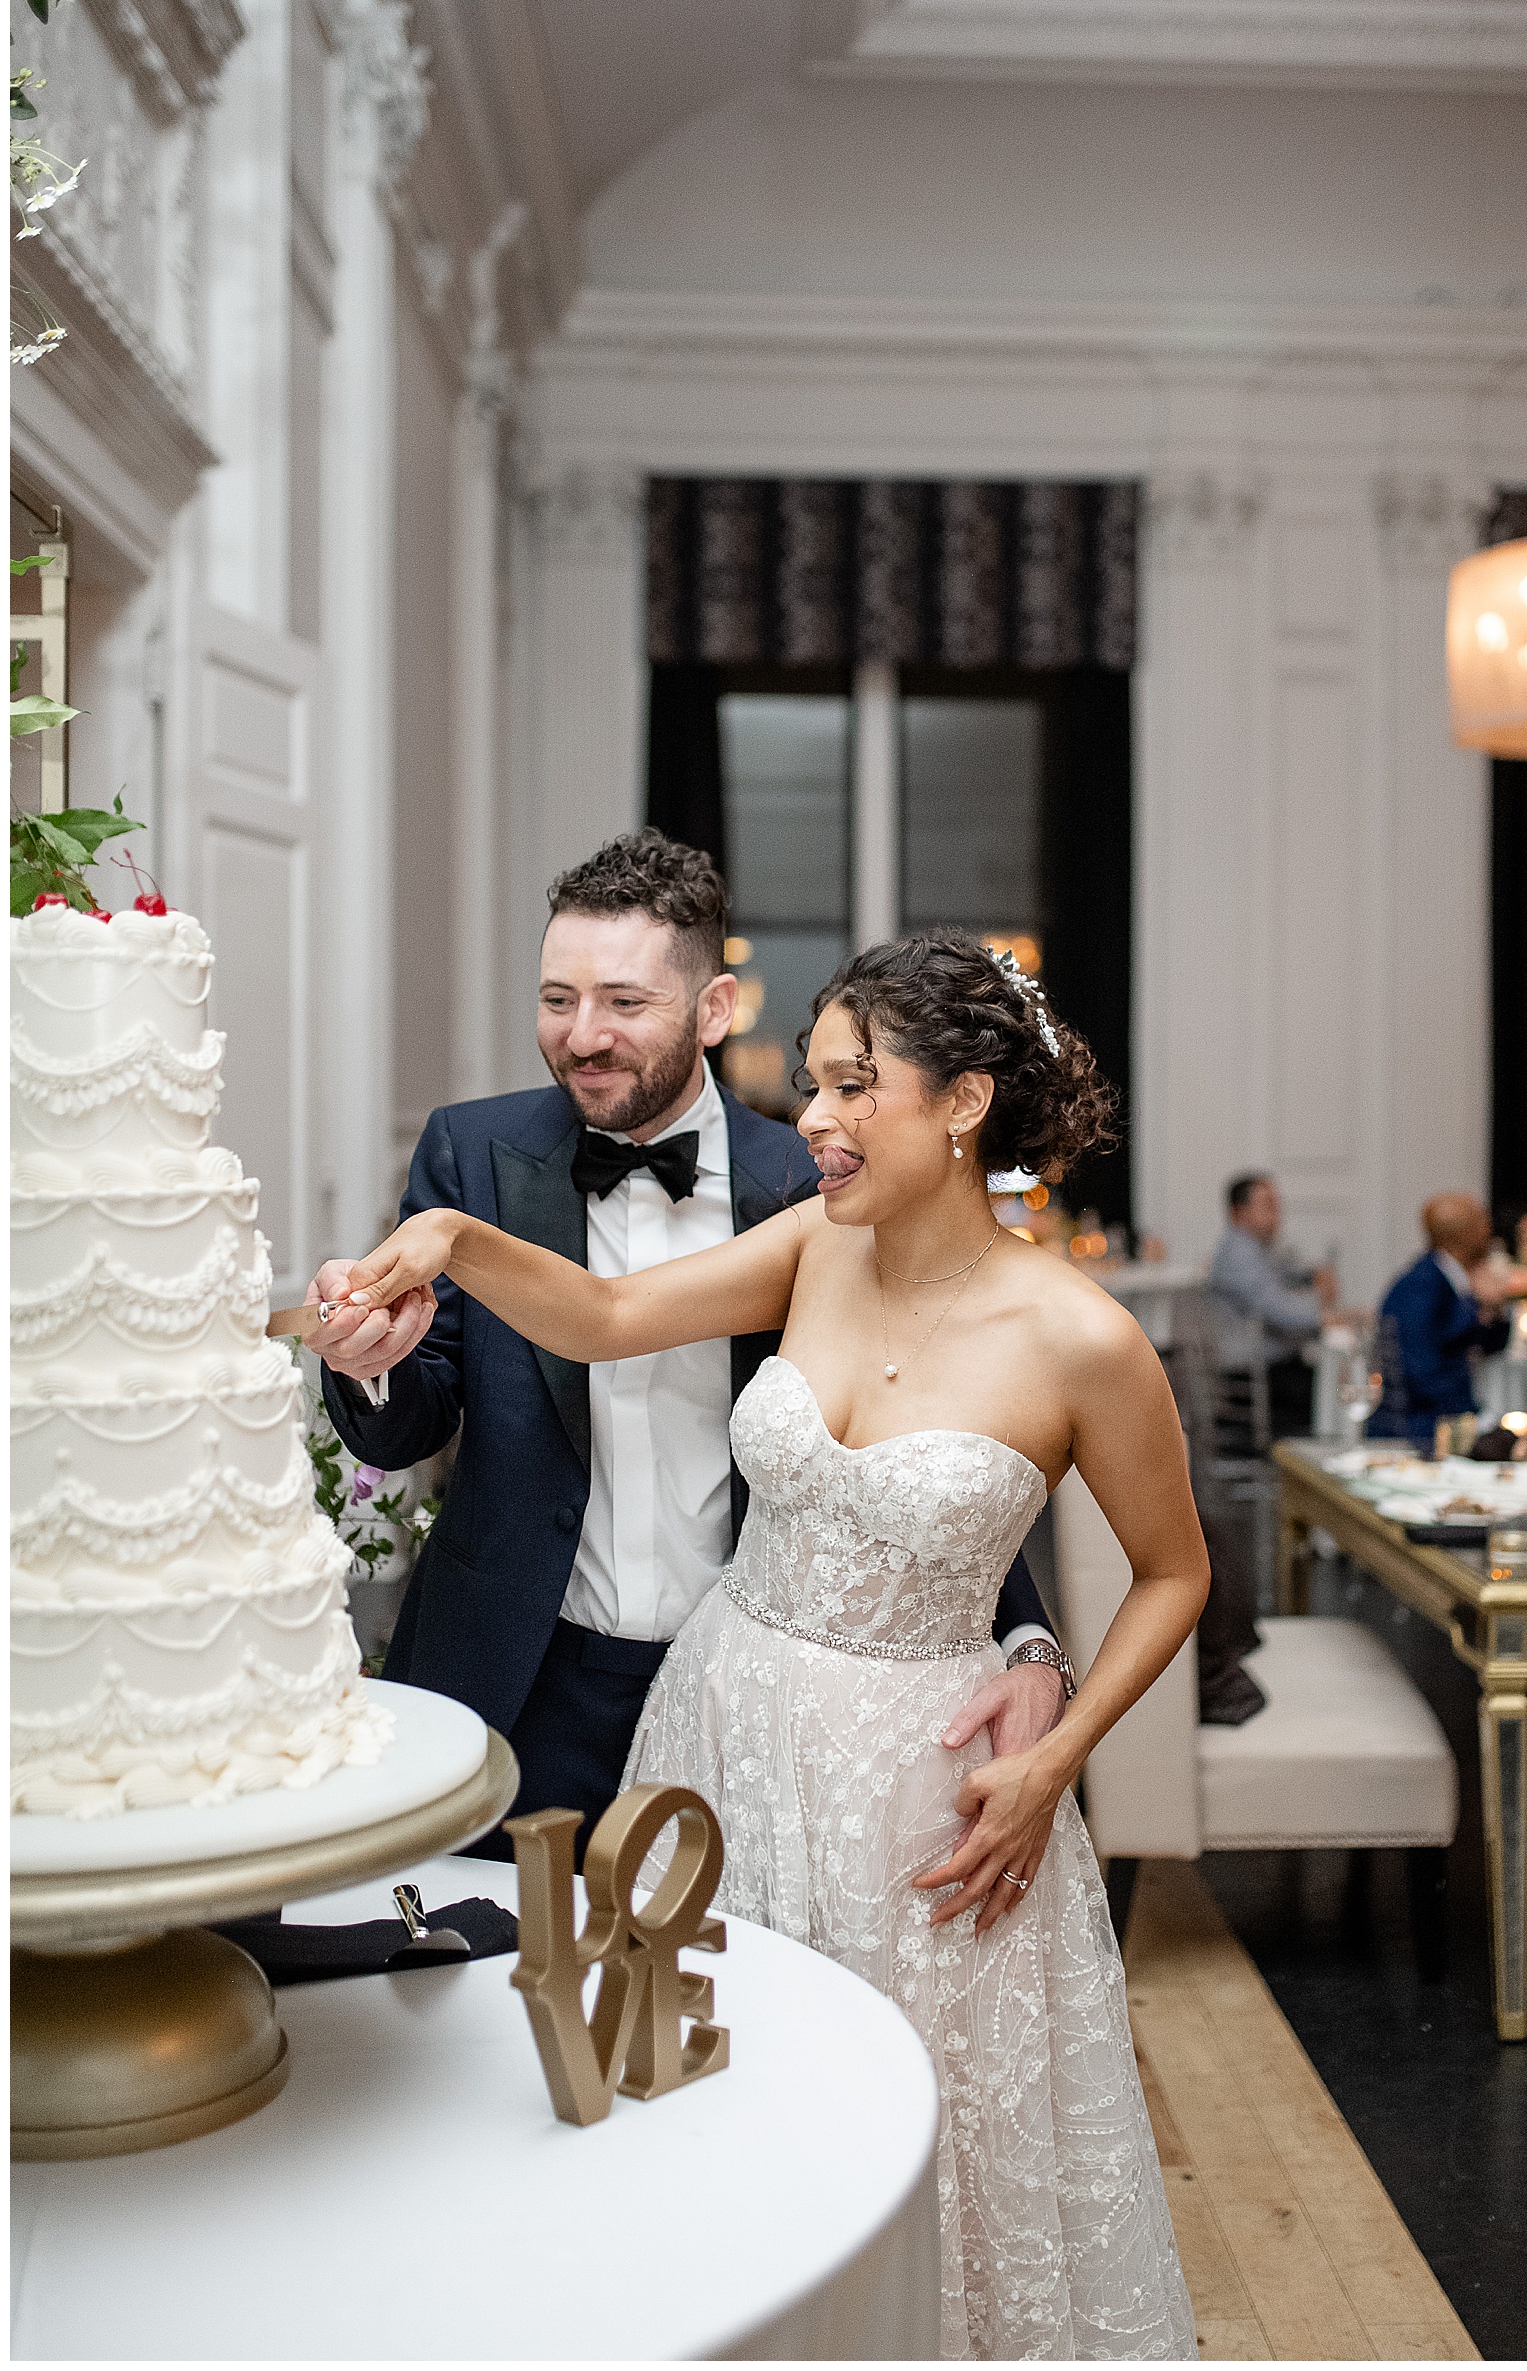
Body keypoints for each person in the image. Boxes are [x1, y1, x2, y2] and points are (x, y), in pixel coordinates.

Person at [337, 931, 1206, 2360]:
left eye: (855, 1085)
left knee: (925, 2141)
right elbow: (609, 1316)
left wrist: (1056, 1752)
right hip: (719, 1738)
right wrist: (450, 1240)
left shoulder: (1085, 1338)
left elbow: (1177, 1572)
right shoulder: (816, 1245)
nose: (813, 1118)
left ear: (965, 1102)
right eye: (812, 1082)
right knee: (712, 2100)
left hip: (921, 1797)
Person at [299, 834, 1062, 1858]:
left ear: (713, 1010)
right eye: (557, 998)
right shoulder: (470, 1154)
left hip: (745, 1691)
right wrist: (369, 1358)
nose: (581, 1035)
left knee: (720, 2001)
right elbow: (415, 1414)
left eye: (623, 1001)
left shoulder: (812, 1185)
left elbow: (927, 1434)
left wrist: (1028, 1641)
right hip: (517, 1678)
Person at [1368, 1193, 1520, 1447]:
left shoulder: (1451, 1279)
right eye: (1482, 1224)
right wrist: (1476, 1422)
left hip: (1439, 1422)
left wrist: (1494, 1307)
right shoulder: (1420, 1286)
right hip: (1416, 1431)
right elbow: (1421, 1373)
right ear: (1465, 1235)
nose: (1489, 1231)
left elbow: (1488, 1344)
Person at [1208, 1171, 1336, 1437]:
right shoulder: (1238, 1254)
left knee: (1329, 1378)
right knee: (1333, 1387)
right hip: (1255, 1379)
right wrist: (1328, 1315)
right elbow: (1279, 1310)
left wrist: (1314, 1275)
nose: (1277, 1214)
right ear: (1239, 1212)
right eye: (1267, 1205)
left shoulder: (1258, 1249)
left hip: (1270, 1373)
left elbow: (1289, 1269)